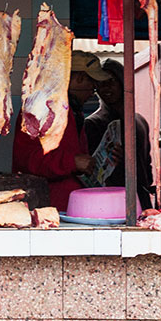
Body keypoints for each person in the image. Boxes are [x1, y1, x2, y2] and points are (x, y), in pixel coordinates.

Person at [12, 50, 111, 212]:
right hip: (44, 207)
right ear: (79, 79)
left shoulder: (74, 111)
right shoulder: (40, 107)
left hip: (69, 204)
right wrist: (72, 162)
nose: (92, 92)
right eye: (92, 85)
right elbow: (27, 159)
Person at [84, 58, 154, 209]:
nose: (106, 87)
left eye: (112, 81)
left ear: (123, 82)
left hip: (141, 200)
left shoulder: (139, 122)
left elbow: (147, 167)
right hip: (110, 204)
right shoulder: (92, 124)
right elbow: (89, 174)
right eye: (101, 82)